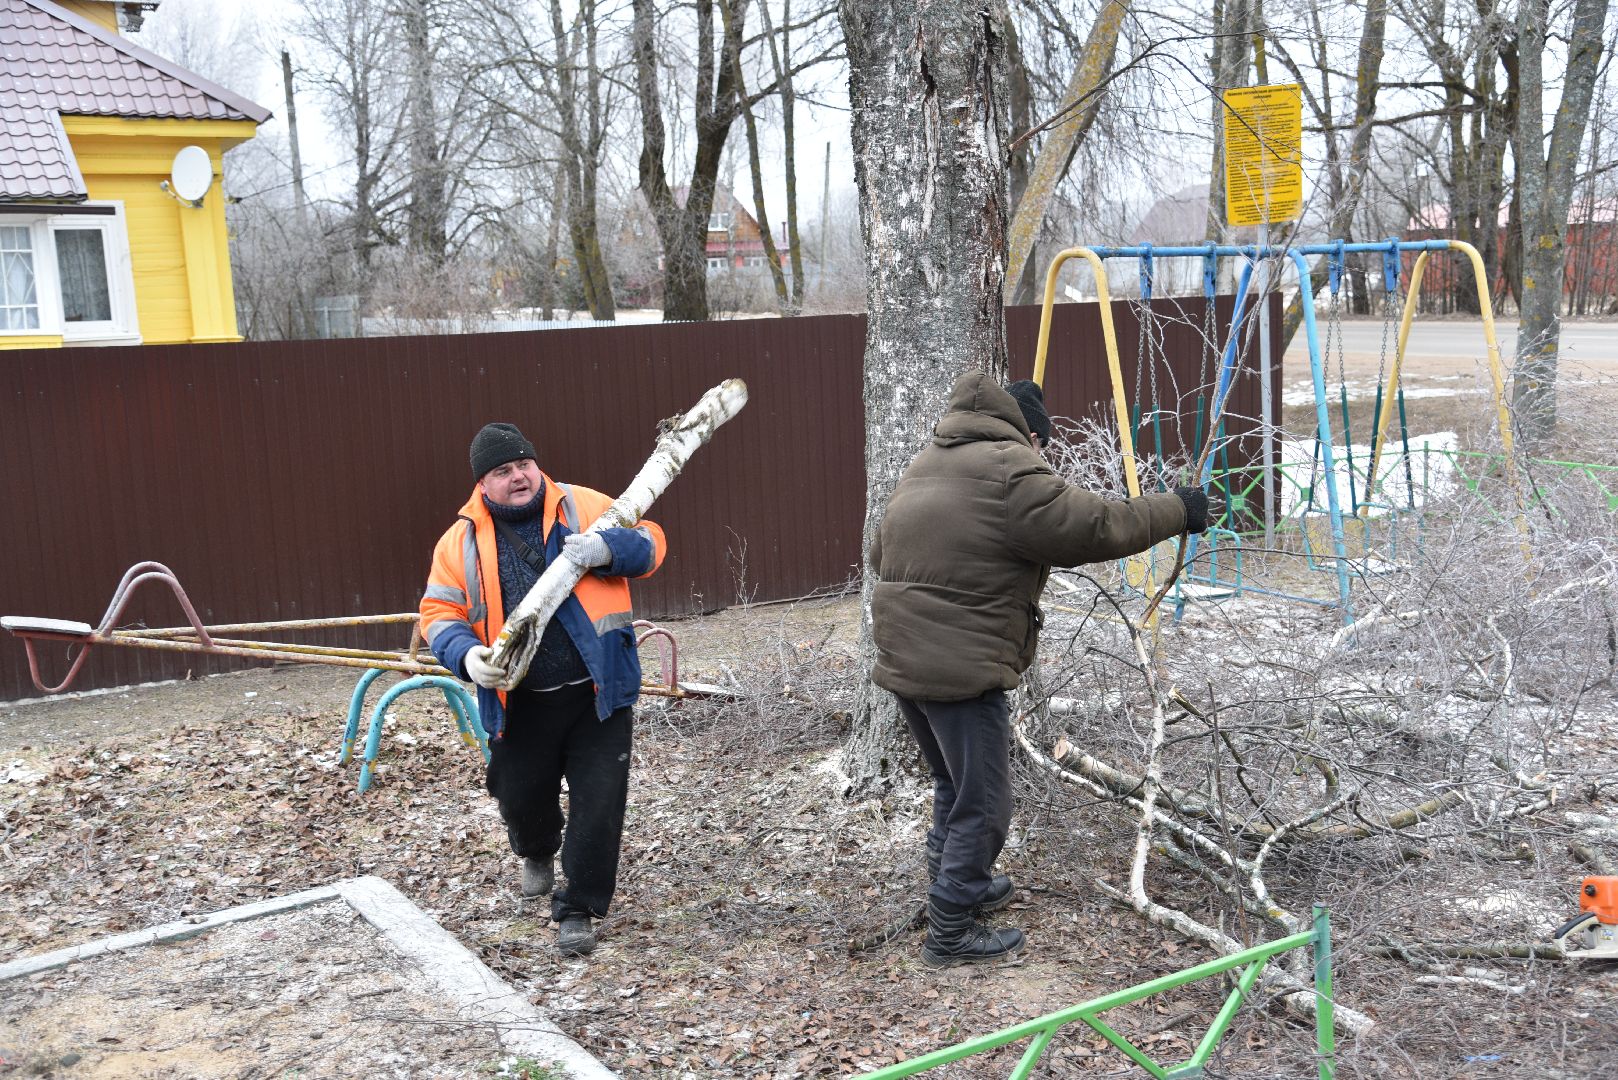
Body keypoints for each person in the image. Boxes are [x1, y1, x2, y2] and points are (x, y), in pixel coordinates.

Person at [868, 374, 1216, 968]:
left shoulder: (927, 463)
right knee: (985, 800)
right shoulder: (1010, 472)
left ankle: (959, 890)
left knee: (956, 787)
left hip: (903, 658)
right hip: (959, 665)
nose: (1044, 455)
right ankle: (949, 932)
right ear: (1030, 433)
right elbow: (1097, 525)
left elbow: (881, 553)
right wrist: (1180, 509)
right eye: (1043, 445)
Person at [420, 422, 666, 957]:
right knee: (520, 795)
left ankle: (578, 906)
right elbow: (438, 612)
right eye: (502, 472)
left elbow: (652, 545)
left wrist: (609, 548)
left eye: (523, 465)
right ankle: (536, 848)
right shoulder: (459, 541)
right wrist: (464, 654)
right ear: (482, 484)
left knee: (599, 803)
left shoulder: (584, 505)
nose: (518, 477)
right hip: (520, 700)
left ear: (537, 463)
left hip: (599, 692)